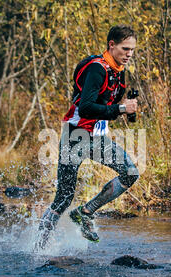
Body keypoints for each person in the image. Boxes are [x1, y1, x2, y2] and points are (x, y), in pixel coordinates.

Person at [36, 25, 139, 249]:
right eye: (125, 48)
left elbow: (107, 108)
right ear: (111, 45)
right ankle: (37, 249)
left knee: (130, 172)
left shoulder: (118, 71)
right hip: (76, 136)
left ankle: (85, 212)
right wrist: (122, 109)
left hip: (97, 138)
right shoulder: (97, 69)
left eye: (132, 49)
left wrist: (126, 109)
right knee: (63, 198)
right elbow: (85, 109)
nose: (129, 54)